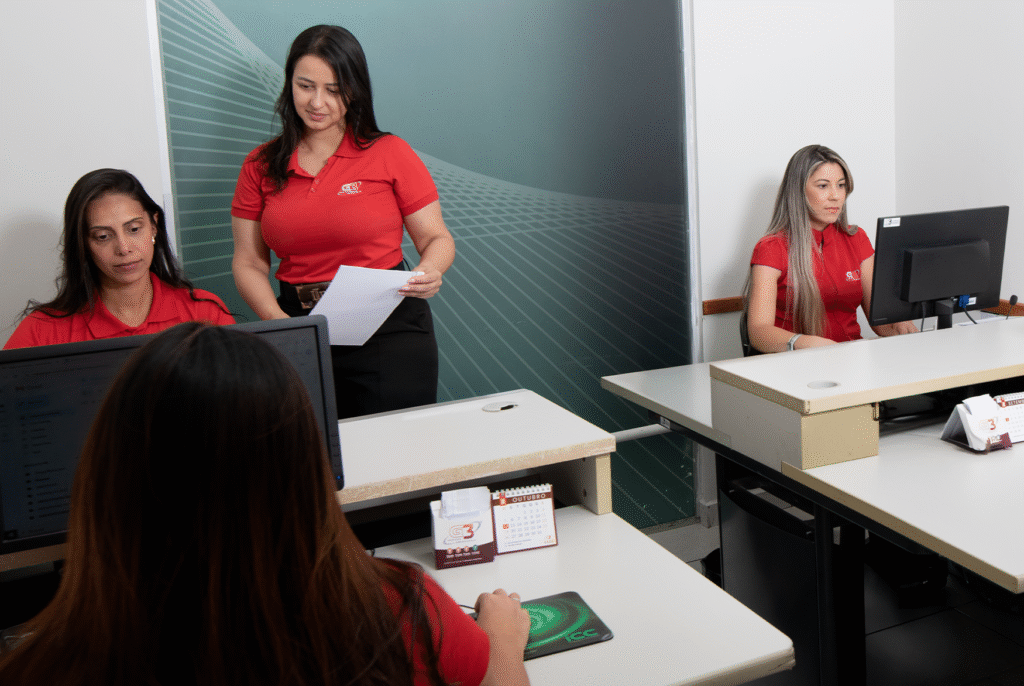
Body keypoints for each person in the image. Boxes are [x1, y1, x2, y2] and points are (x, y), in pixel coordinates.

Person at [0, 323, 530, 686]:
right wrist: (503, 638)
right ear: (304, 468)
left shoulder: (42, 668)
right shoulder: (399, 610)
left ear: (106, 478)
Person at [231, 25, 455, 419]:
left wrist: (430, 270)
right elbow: (248, 261)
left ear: (354, 91)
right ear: (289, 84)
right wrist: (279, 324)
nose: (317, 102)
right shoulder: (259, 165)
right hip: (298, 325)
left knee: (395, 448)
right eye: (305, 86)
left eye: (334, 90)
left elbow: (436, 237)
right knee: (309, 449)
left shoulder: (390, 152)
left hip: (389, 325)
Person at [3, 169, 233, 350]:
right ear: (83, 243)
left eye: (134, 229)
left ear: (153, 226)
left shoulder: (206, 314)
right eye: (103, 236)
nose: (123, 248)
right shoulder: (41, 331)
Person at [744, 145, 917, 353]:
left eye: (841, 185)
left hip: (851, 359)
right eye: (823, 186)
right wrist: (805, 343)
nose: (835, 196)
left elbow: (881, 321)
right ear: (798, 191)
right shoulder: (771, 248)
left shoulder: (856, 239)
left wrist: (899, 325)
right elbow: (759, 332)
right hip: (799, 362)